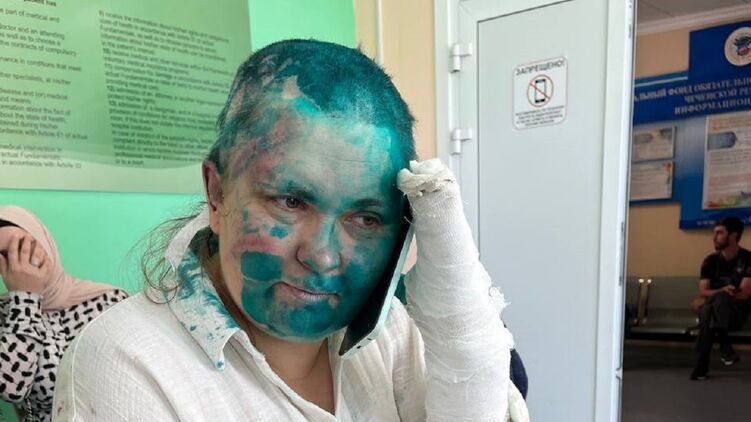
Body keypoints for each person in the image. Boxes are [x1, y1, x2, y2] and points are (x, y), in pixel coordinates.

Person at [52, 40, 528, 421]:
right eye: (291, 201)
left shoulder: (391, 331)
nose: (322, 256)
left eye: (365, 218)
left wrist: (464, 331)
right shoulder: (127, 361)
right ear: (217, 194)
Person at [0, 206, 128, 421]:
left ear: (45, 244)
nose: (18, 262)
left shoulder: (109, 301)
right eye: (6, 255)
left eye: (23, 248)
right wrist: (25, 298)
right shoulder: (6, 313)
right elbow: (12, 388)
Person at [690, 217, 751, 380]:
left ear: (733, 236)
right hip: (715, 315)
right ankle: (724, 345)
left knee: (708, 307)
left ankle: (703, 362)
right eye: (714, 233)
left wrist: (714, 296)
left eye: (719, 233)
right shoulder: (710, 261)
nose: (714, 237)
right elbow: (703, 290)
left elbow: (744, 294)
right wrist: (721, 292)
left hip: (736, 314)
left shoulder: (748, 259)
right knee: (709, 309)